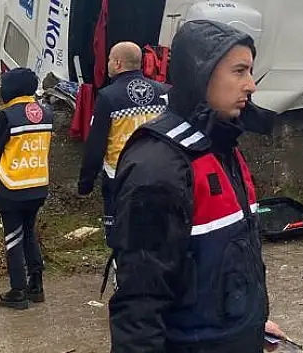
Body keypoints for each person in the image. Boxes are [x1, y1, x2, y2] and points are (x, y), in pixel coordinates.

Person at [107, 20, 286, 352]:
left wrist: (250, 326)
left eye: (250, 71)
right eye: (239, 71)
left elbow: (223, 264)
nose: (251, 85)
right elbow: (139, 307)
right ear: (201, 76)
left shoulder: (221, 147)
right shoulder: (158, 165)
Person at [77, 41, 169, 245]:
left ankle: (123, 274)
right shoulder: (163, 92)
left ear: (117, 63)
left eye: (109, 59)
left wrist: (86, 183)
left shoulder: (108, 97)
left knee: (121, 236)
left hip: (121, 176)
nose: (108, 63)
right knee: (155, 234)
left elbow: (96, 144)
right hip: (161, 173)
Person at [0, 67, 53, 310]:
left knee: (13, 238)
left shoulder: (7, 116)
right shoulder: (46, 113)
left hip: (11, 186)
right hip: (37, 185)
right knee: (29, 234)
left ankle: (18, 290)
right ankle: (36, 284)